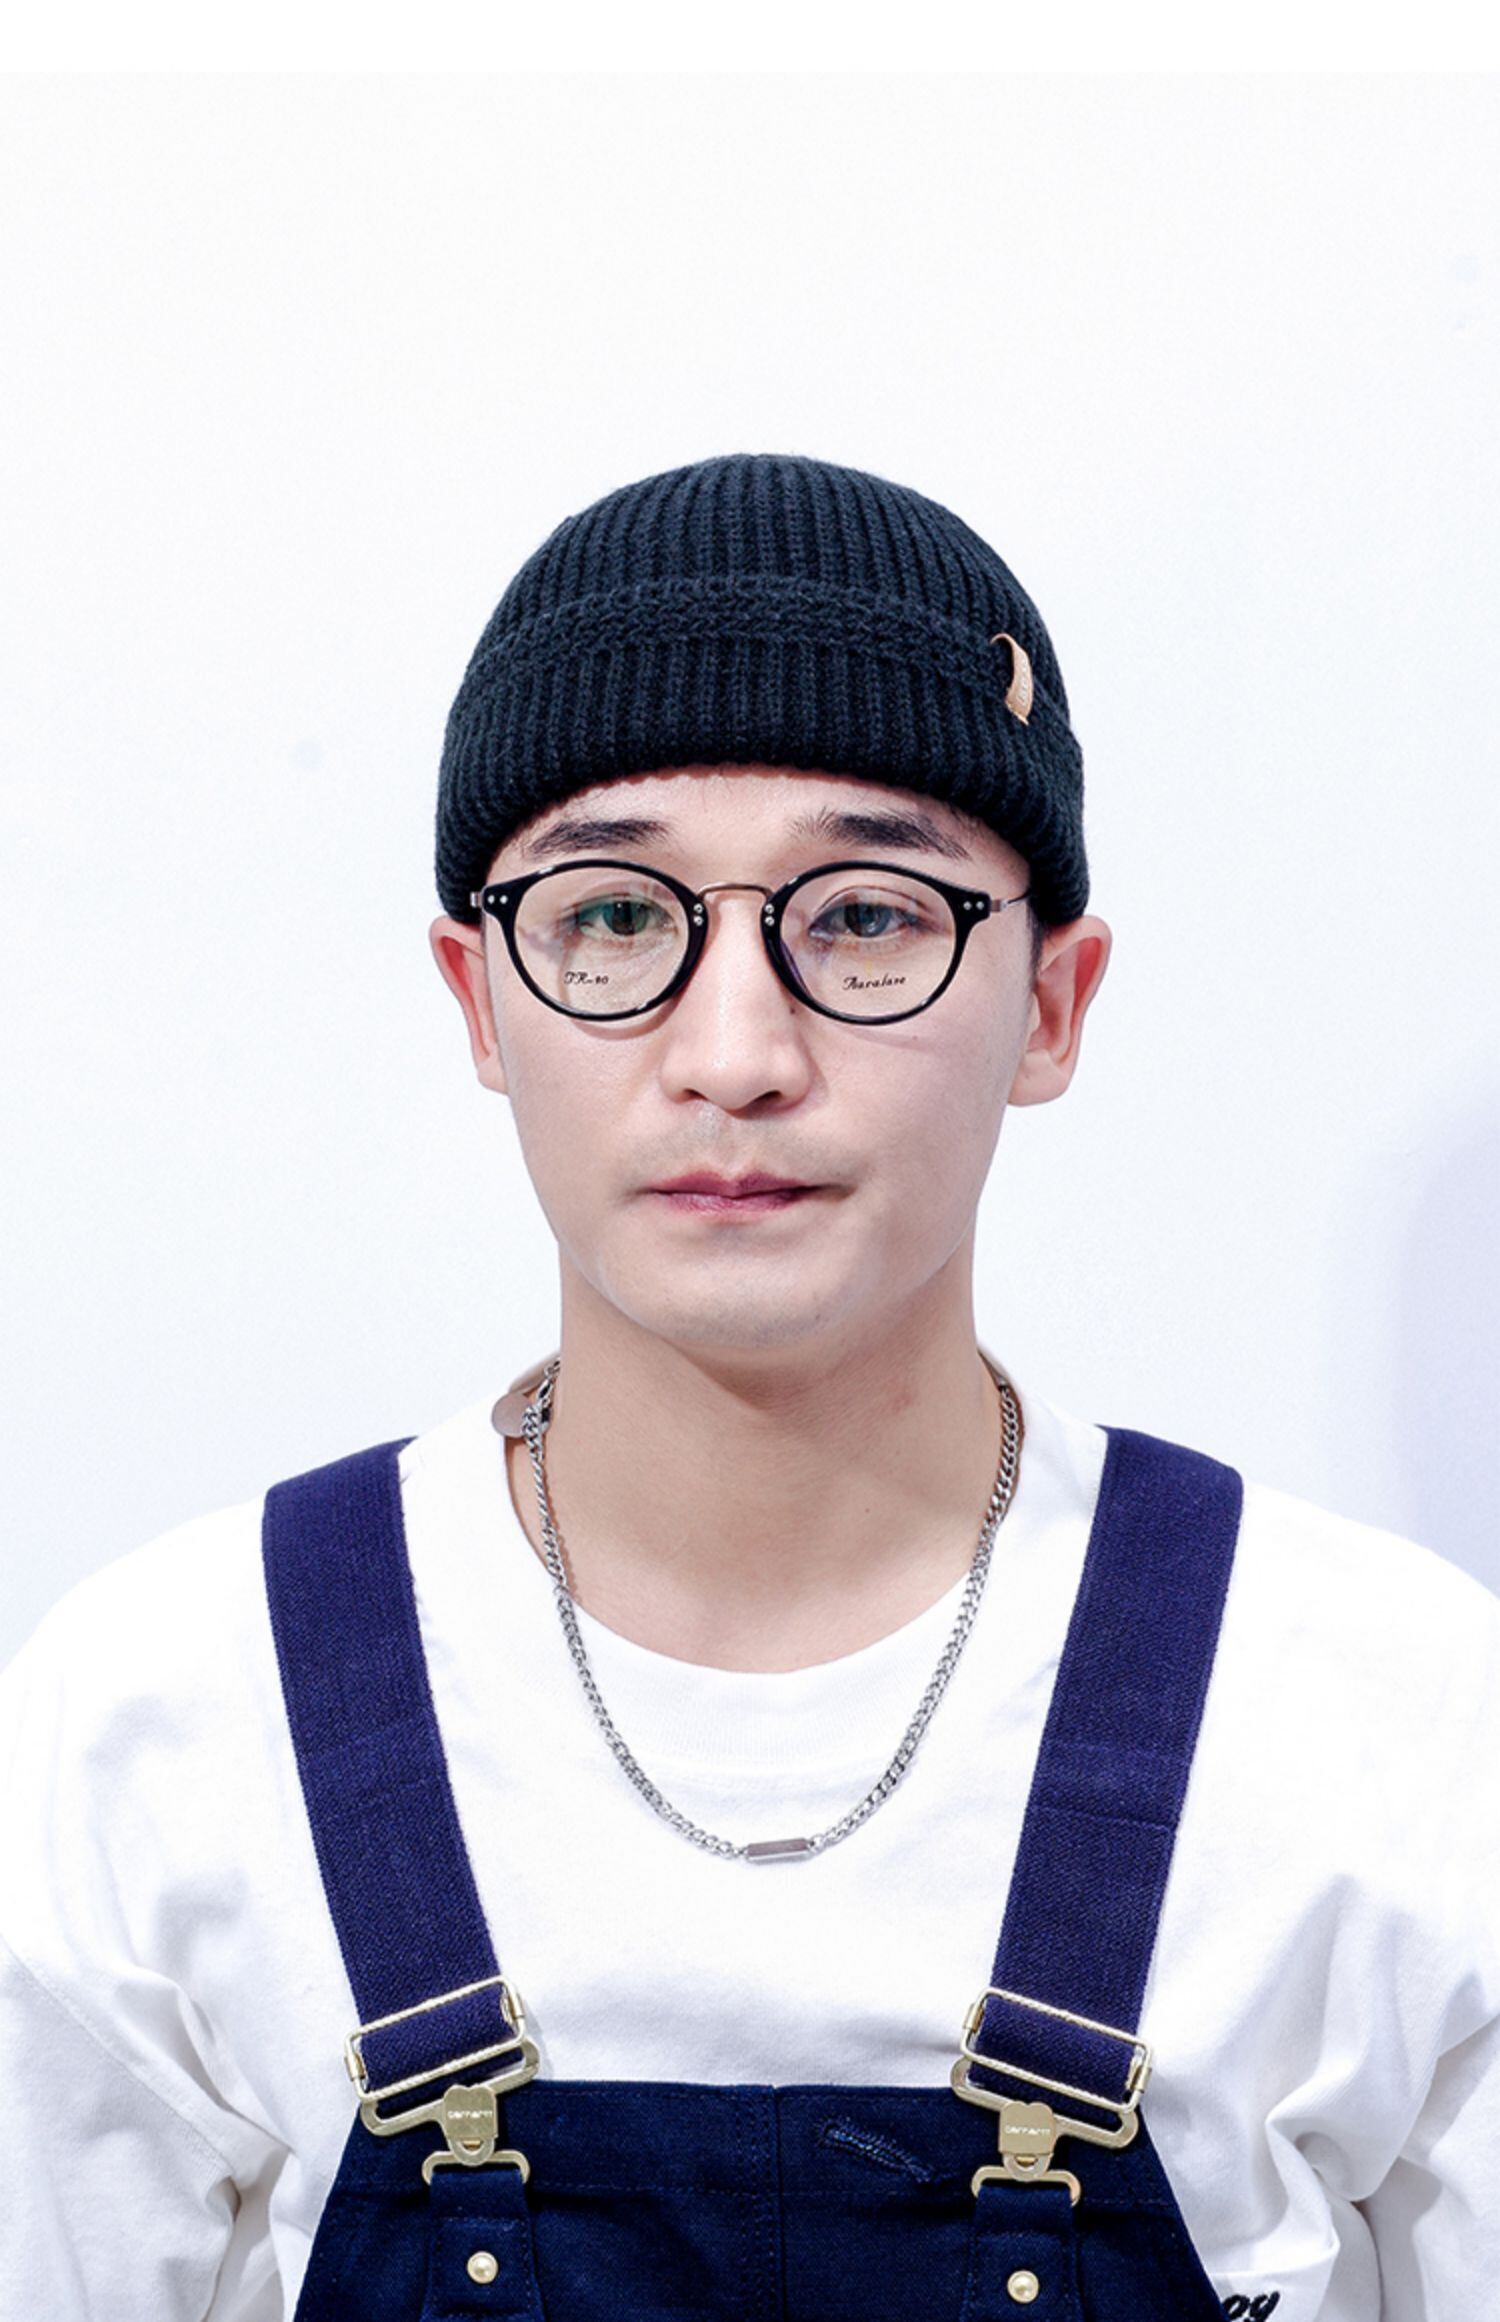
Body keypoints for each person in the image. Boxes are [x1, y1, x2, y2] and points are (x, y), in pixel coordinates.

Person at [1, 452, 1495, 2322]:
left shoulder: (1398, 1730)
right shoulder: (155, 1731)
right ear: (478, 997)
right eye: (616, 917)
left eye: (867, 914)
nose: (734, 1051)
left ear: (1052, 1003)